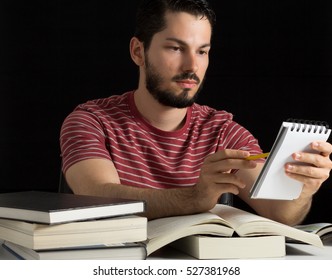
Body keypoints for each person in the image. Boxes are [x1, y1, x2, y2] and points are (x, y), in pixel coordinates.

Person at [60, 0, 332, 225]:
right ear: (138, 52)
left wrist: (302, 190)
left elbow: (281, 214)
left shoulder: (224, 131)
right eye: (176, 48)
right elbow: (97, 195)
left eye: (202, 51)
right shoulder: (90, 121)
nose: (192, 66)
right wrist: (194, 197)